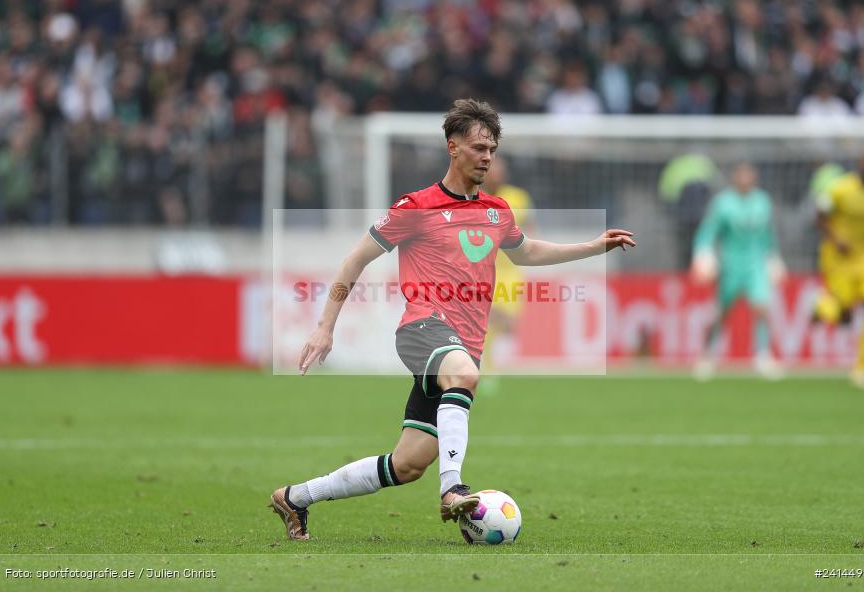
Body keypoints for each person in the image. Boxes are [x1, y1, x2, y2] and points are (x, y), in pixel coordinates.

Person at [270, 99, 636, 540]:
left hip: (463, 343)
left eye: (492, 149)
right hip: (422, 329)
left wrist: (594, 246)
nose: (487, 157)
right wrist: (324, 325)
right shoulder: (415, 206)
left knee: (407, 464)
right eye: (479, 147)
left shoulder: (497, 210)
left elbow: (528, 252)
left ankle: (295, 498)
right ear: (453, 147)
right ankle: (452, 490)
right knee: (463, 374)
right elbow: (355, 260)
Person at [691, 163, 785, 381]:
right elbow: (708, 231)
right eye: (741, 176)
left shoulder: (763, 202)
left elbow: (768, 234)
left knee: (761, 307)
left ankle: (763, 355)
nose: (745, 180)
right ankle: (708, 355)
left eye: (749, 175)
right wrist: (703, 253)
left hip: (756, 263)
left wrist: (774, 258)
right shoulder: (723, 203)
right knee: (722, 312)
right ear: (734, 179)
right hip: (731, 263)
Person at [814, 150, 864, 389]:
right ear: (860, 165)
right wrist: (836, 240)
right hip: (841, 257)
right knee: (844, 315)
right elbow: (820, 215)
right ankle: (821, 307)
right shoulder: (840, 189)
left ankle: (861, 367)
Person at [480, 154, 536, 387]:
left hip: (510, 271)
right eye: (492, 169)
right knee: (488, 318)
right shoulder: (473, 198)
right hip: (482, 270)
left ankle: (485, 365)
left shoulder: (518, 198)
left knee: (506, 321)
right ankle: (486, 369)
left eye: (499, 169)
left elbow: (531, 230)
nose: (495, 173)